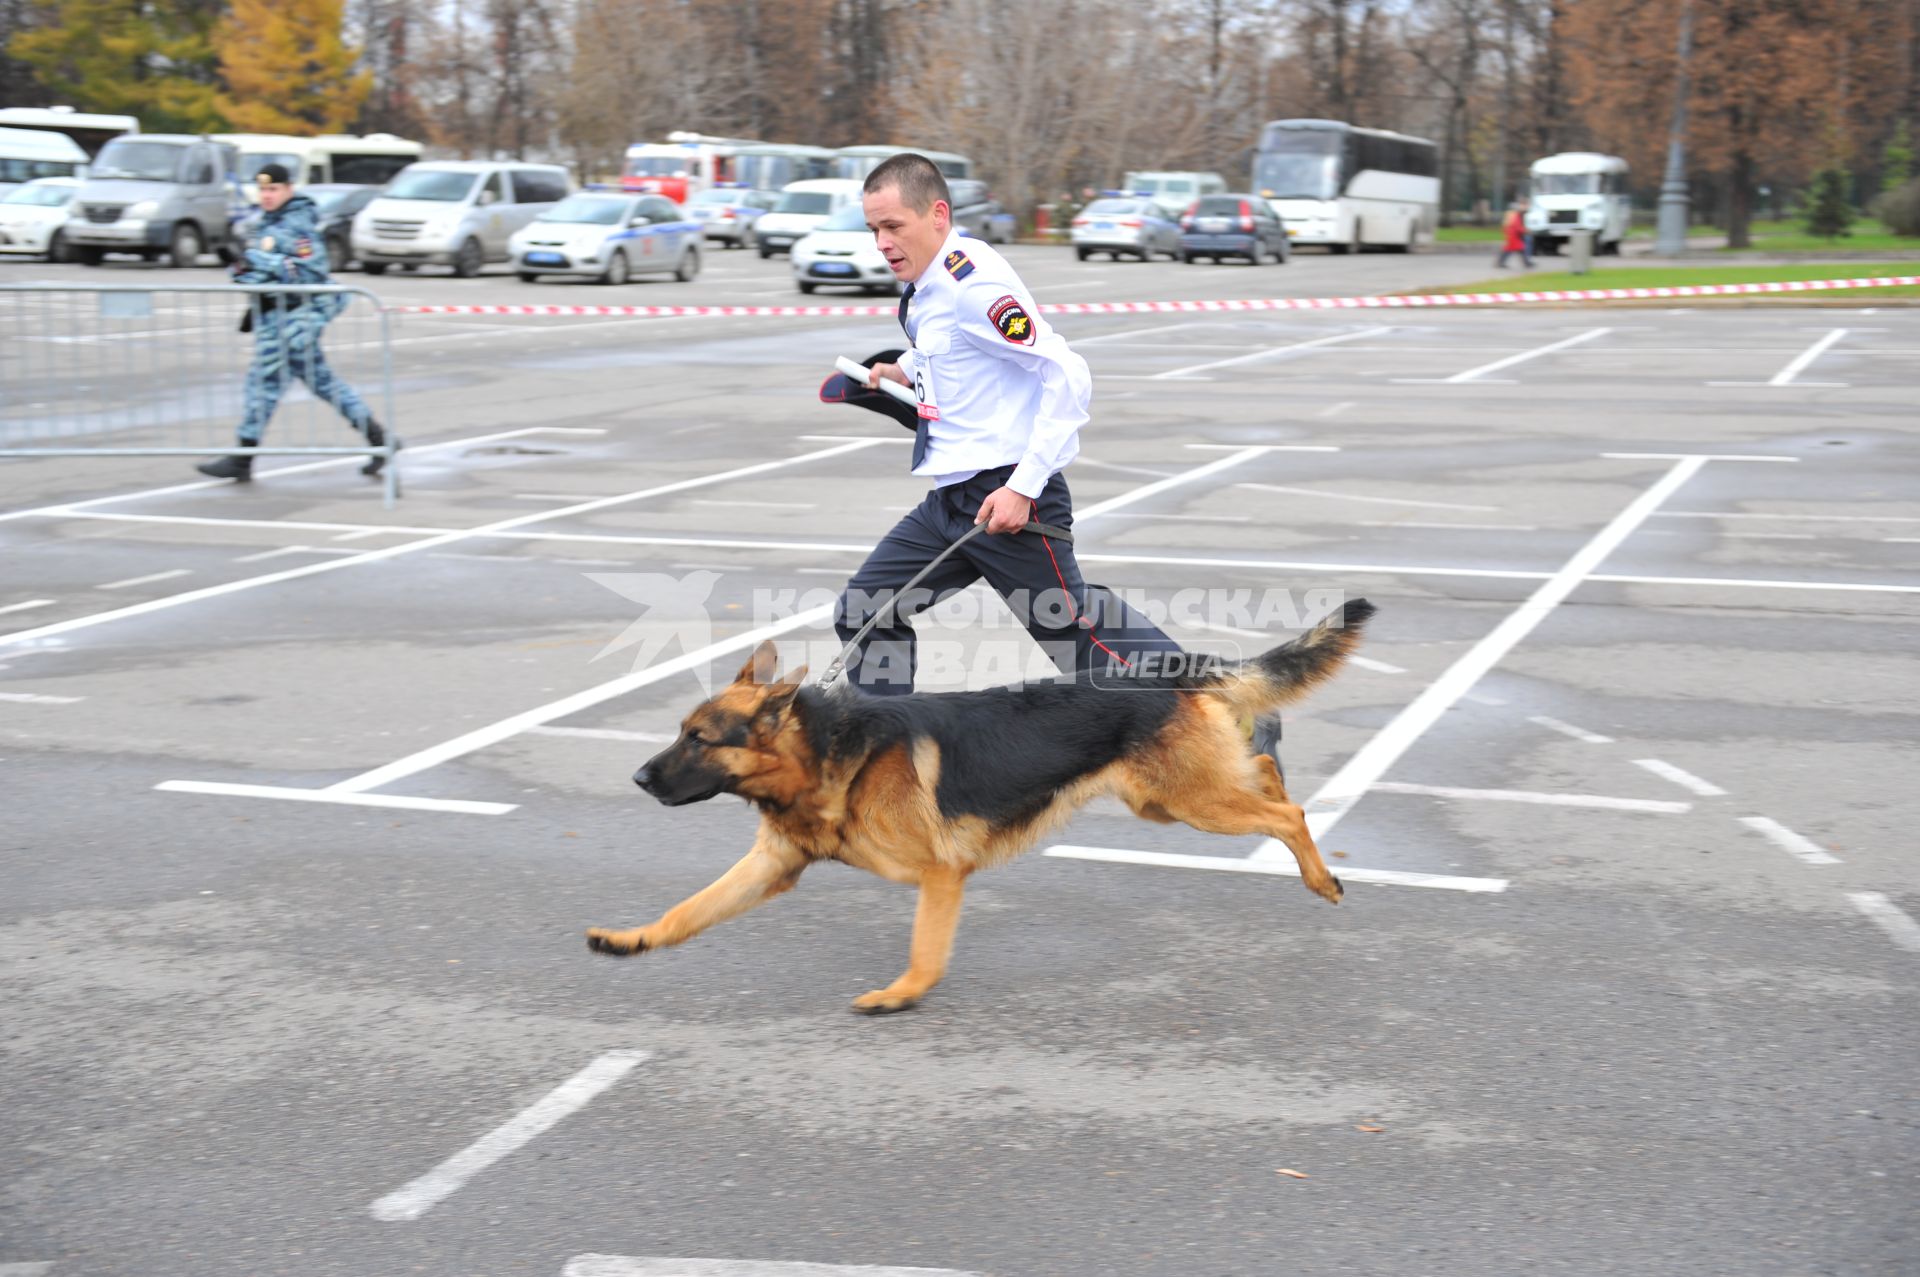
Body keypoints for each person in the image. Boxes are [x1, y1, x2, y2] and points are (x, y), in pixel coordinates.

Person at [829, 152, 1286, 766]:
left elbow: (1067, 374)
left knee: (1083, 644)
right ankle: (877, 757)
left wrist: (1023, 486)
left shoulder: (974, 286)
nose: (882, 243)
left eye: (893, 226)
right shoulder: (931, 284)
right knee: (867, 609)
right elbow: (957, 359)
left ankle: (1233, 710)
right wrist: (901, 370)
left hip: (1008, 499)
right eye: (873, 230)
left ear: (937, 215)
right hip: (954, 502)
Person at [195, 163, 398, 482]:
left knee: (262, 387)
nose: (267, 196)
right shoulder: (267, 223)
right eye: (263, 189)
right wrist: (237, 265)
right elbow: (256, 274)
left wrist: (257, 261)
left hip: (292, 320)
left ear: (289, 189)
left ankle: (243, 457)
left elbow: (311, 272)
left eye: (273, 189)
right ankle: (379, 438)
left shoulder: (298, 225)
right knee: (324, 384)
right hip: (276, 318)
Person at [1495, 198, 1534, 269]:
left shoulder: (1517, 214)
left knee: (1511, 249)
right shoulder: (1516, 214)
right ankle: (1526, 263)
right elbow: (1517, 226)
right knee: (1516, 249)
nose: (1527, 207)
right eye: (1525, 205)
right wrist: (1525, 231)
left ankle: (1501, 262)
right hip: (1514, 235)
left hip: (1513, 235)